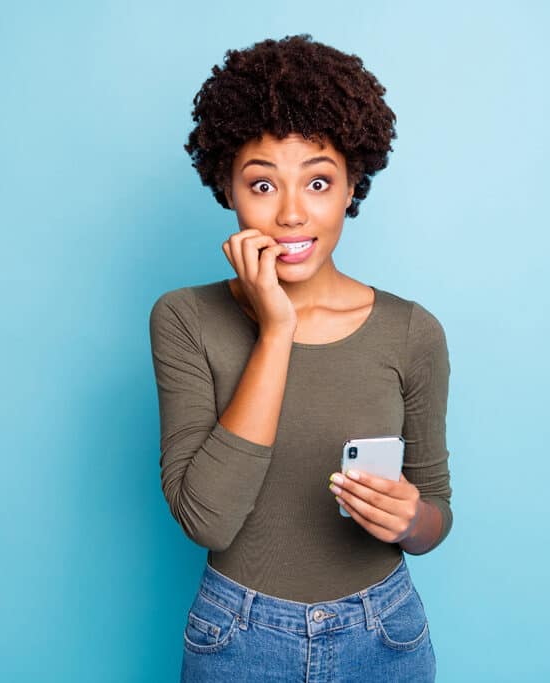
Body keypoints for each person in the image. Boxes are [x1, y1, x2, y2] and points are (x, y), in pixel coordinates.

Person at [149, 34, 453, 682]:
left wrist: (410, 517)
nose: (291, 213)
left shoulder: (412, 332)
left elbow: (436, 517)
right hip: (238, 640)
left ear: (351, 187)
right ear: (227, 186)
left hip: (385, 637)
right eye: (262, 183)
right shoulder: (184, 318)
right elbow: (207, 517)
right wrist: (275, 331)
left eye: (318, 181)